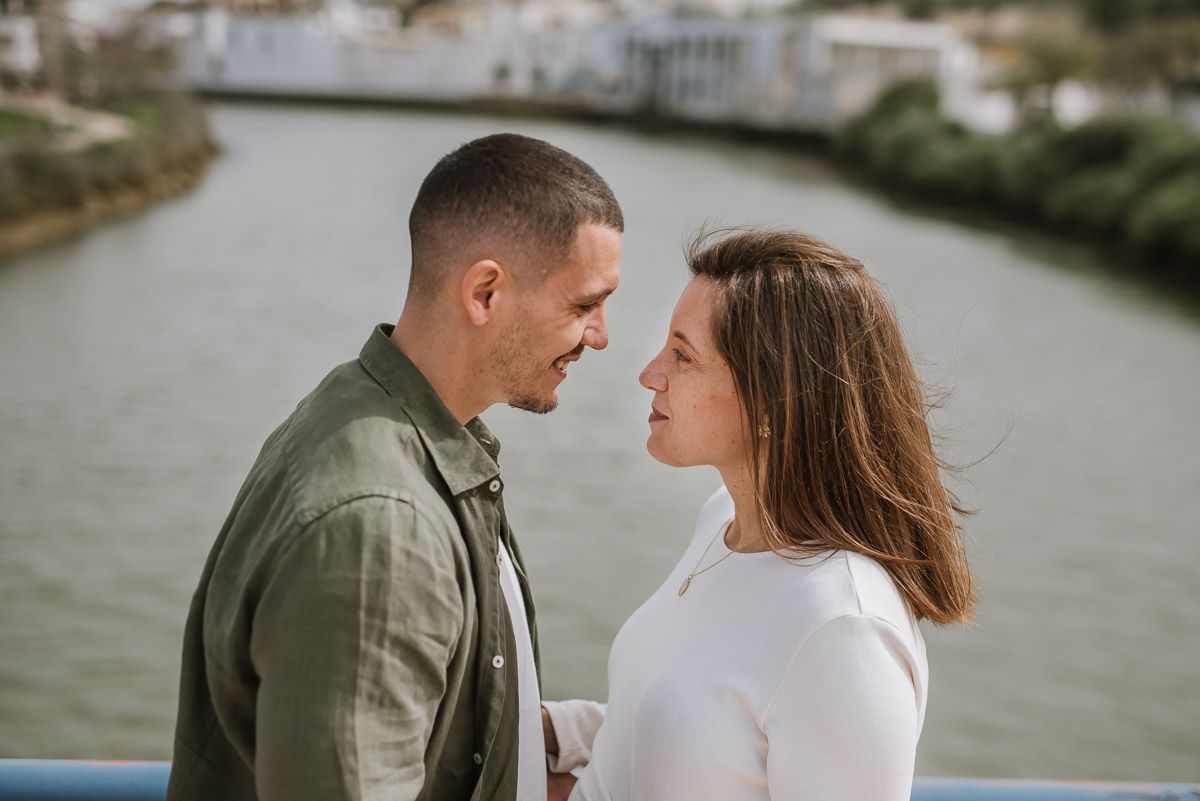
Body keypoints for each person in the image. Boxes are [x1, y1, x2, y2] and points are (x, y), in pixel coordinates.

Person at [165, 133, 623, 801]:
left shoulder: (362, 406)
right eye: (583, 305)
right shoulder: (381, 528)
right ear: (485, 293)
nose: (601, 335)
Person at [542, 229, 976, 801]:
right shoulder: (724, 522)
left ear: (773, 398)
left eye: (683, 356)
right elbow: (691, 732)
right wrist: (547, 728)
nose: (650, 373)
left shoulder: (844, 629)